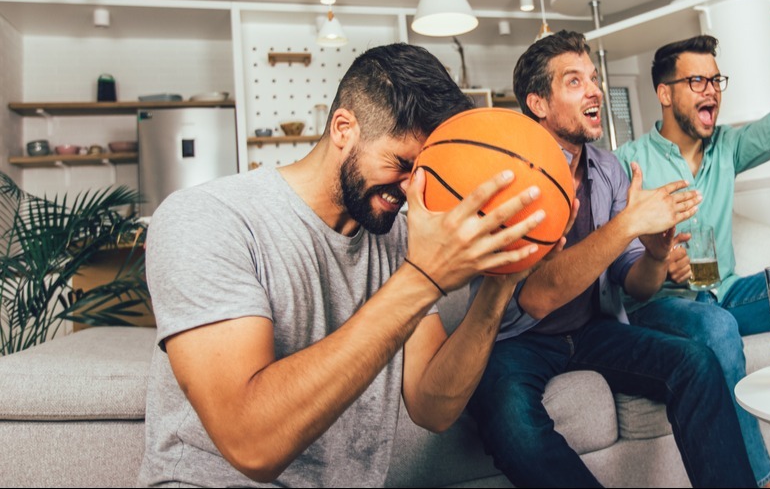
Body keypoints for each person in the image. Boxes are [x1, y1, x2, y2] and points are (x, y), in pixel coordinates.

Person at [137, 43, 556, 487]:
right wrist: (423, 277)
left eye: (426, 170)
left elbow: (432, 408)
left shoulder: (397, 237)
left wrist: (499, 284)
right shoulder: (206, 218)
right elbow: (251, 444)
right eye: (401, 164)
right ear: (343, 128)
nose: (413, 189)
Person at [464, 29, 757, 488]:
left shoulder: (608, 169)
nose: (596, 89)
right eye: (575, 81)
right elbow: (538, 298)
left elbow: (635, 283)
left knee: (695, 363)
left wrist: (656, 255)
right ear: (538, 103)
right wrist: (627, 225)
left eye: (594, 78)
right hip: (515, 339)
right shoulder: (509, 177)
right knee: (510, 423)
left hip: (592, 330)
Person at [613, 0, 770, 488]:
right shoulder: (628, 164)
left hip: (725, 290)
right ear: (664, 93)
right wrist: (655, 260)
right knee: (714, 330)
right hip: (662, 303)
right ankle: (759, 480)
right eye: (697, 82)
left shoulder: (728, 148)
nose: (711, 90)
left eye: (716, 81)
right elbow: (616, 255)